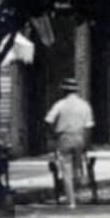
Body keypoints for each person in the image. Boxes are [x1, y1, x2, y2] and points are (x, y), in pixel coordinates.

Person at [45, 77, 94, 208]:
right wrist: (87, 144)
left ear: (64, 91)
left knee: (66, 169)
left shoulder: (60, 104)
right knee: (77, 167)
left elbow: (48, 120)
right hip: (79, 137)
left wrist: (53, 135)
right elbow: (89, 126)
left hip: (64, 138)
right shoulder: (84, 105)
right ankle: (78, 194)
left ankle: (71, 200)